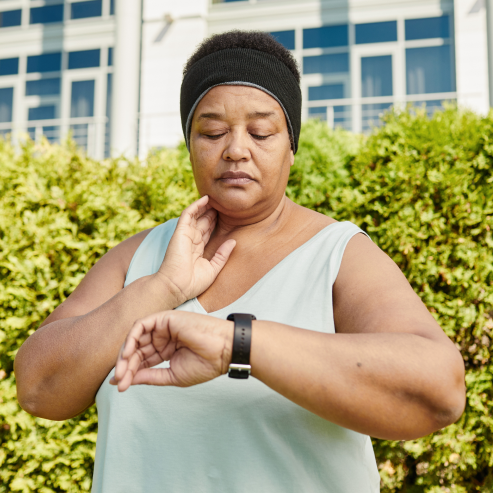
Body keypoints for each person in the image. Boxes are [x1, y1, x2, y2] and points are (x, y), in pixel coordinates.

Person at [15, 31, 466, 493]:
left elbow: (438, 392)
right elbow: (38, 387)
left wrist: (239, 343)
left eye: (261, 131)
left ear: (292, 145)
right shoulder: (137, 258)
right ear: (190, 144)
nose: (235, 149)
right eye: (212, 132)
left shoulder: (337, 255)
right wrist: (162, 288)